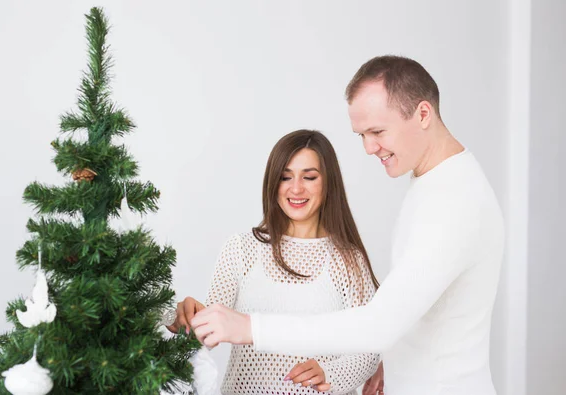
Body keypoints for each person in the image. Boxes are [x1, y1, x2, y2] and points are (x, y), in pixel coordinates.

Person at [190, 56, 505, 395]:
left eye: (378, 132)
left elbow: (380, 324)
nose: (369, 148)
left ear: (423, 114)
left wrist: (252, 328)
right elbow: (404, 315)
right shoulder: (430, 184)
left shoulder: (454, 201)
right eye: (362, 135)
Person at [168, 130, 381, 394]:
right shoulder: (241, 248)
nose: (296, 188)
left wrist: (331, 374)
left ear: (328, 183)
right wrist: (178, 316)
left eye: (309, 177)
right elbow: (210, 329)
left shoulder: (348, 261)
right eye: (285, 177)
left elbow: (368, 346)